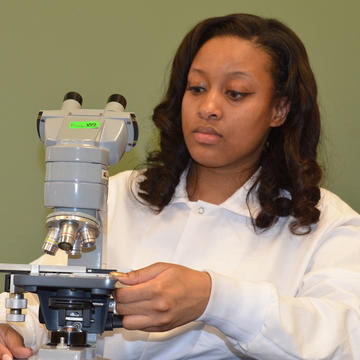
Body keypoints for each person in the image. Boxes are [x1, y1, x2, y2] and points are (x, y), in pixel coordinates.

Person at [0, 13, 360, 360]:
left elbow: (347, 338)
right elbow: (44, 297)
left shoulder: (326, 225)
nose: (209, 107)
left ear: (279, 109)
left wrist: (214, 299)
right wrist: (14, 329)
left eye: (235, 93)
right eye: (197, 88)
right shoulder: (117, 194)